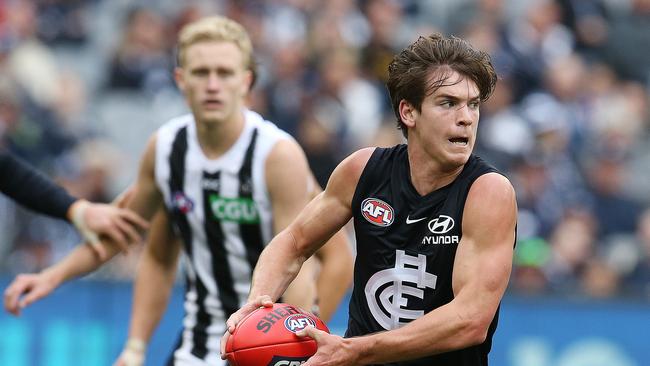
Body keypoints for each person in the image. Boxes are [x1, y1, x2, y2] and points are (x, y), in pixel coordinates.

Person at [2, 15, 353, 366]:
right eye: (201, 73)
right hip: (196, 345)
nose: (212, 84)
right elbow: (142, 245)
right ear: (180, 80)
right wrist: (132, 343)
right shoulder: (167, 148)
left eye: (224, 73)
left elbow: (314, 258)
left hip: (262, 347)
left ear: (246, 82)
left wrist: (298, 340)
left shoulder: (277, 154)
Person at [223, 33, 517, 366]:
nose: (466, 117)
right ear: (408, 111)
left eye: (473, 104)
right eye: (448, 103)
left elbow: (470, 322)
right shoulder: (363, 170)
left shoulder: (488, 192)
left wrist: (355, 350)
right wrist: (258, 300)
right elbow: (293, 241)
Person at [0, 149, 148, 253]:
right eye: (93, 174)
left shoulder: (104, 204)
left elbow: (7, 170)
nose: (97, 182)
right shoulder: (37, 210)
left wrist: (78, 210)